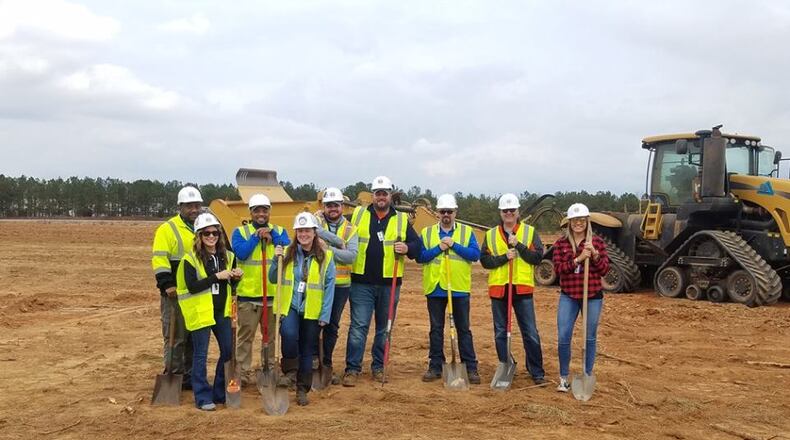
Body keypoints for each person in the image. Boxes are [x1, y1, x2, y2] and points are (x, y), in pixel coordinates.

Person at [342, 176, 421, 386]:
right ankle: (352, 369)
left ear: (390, 196)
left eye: (385, 193)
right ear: (373, 195)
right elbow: (339, 226)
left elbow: (417, 246)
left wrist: (407, 248)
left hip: (390, 283)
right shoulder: (358, 214)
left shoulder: (402, 220)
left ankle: (378, 367)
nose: (381, 197)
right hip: (361, 282)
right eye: (377, 193)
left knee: (384, 328)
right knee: (359, 327)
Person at [176, 213, 243, 410]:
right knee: (200, 355)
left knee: (228, 351)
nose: (212, 237)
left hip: (222, 312)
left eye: (215, 232)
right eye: (207, 233)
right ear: (199, 236)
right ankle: (203, 397)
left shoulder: (228, 256)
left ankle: (220, 392)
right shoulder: (190, 259)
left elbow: (230, 282)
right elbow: (193, 286)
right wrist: (217, 276)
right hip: (201, 312)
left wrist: (236, 276)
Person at [480, 193, 546, 385]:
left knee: (530, 332)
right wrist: (503, 257)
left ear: (518, 212)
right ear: (500, 213)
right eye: (505, 210)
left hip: (522, 290)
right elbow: (484, 261)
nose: (508, 213)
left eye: (512, 210)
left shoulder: (529, 232)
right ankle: (506, 365)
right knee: (501, 332)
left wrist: (520, 247)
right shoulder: (491, 234)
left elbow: (537, 258)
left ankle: (537, 372)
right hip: (499, 290)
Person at [270, 212, 335, 406]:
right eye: (300, 230)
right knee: (289, 334)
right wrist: (276, 260)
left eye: (307, 230)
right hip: (290, 305)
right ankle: (290, 370)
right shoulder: (288, 253)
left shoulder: (326, 256)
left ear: (314, 232)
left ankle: (302, 388)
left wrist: (325, 315)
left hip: (312, 310)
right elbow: (274, 278)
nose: (303, 234)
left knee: (307, 349)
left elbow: (329, 287)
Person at [416, 194, 481, 384]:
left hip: (459, 288)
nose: (446, 215)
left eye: (449, 211)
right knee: (436, 329)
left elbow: (475, 255)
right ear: (437, 213)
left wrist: (454, 245)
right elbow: (420, 257)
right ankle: (435, 366)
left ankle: (471, 367)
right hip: (435, 287)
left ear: (455, 212)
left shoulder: (466, 232)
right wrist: (438, 248)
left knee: (464, 329)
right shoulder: (427, 233)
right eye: (443, 211)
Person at [231, 193, 290, 387]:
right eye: (257, 210)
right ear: (251, 212)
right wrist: (257, 238)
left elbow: (285, 244)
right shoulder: (240, 232)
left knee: (270, 337)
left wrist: (271, 235)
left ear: (269, 212)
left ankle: (269, 368)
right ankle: (243, 372)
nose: (261, 214)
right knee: (245, 337)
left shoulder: (280, 231)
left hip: (272, 295)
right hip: (248, 296)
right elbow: (241, 252)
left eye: (265, 210)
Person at [552, 203, 609, 393]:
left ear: (587, 222)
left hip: (592, 295)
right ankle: (563, 377)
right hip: (569, 294)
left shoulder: (597, 243)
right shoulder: (561, 244)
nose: (578, 224)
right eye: (574, 220)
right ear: (569, 223)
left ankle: (587, 373)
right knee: (563, 336)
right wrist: (577, 259)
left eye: (581, 220)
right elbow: (558, 269)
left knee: (589, 337)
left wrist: (593, 255)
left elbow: (604, 270)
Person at [151, 185, 202, 390]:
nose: (194, 209)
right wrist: (167, 285)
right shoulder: (167, 229)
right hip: (175, 294)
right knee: (175, 337)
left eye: (197, 205)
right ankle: (173, 373)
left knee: (193, 337)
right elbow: (160, 259)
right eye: (189, 206)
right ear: (180, 207)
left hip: (197, 292)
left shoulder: (203, 227)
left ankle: (189, 377)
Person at [314, 187, 358, 384]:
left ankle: (327, 363)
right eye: (329, 205)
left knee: (331, 326)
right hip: (316, 284)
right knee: (312, 324)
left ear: (342, 206)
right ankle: (312, 363)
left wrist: (328, 248)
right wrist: (339, 243)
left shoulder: (351, 229)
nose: (333, 209)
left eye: (336, 205)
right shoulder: (315, 223)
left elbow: (351, 257)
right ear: (324, 207)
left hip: (340, 286)